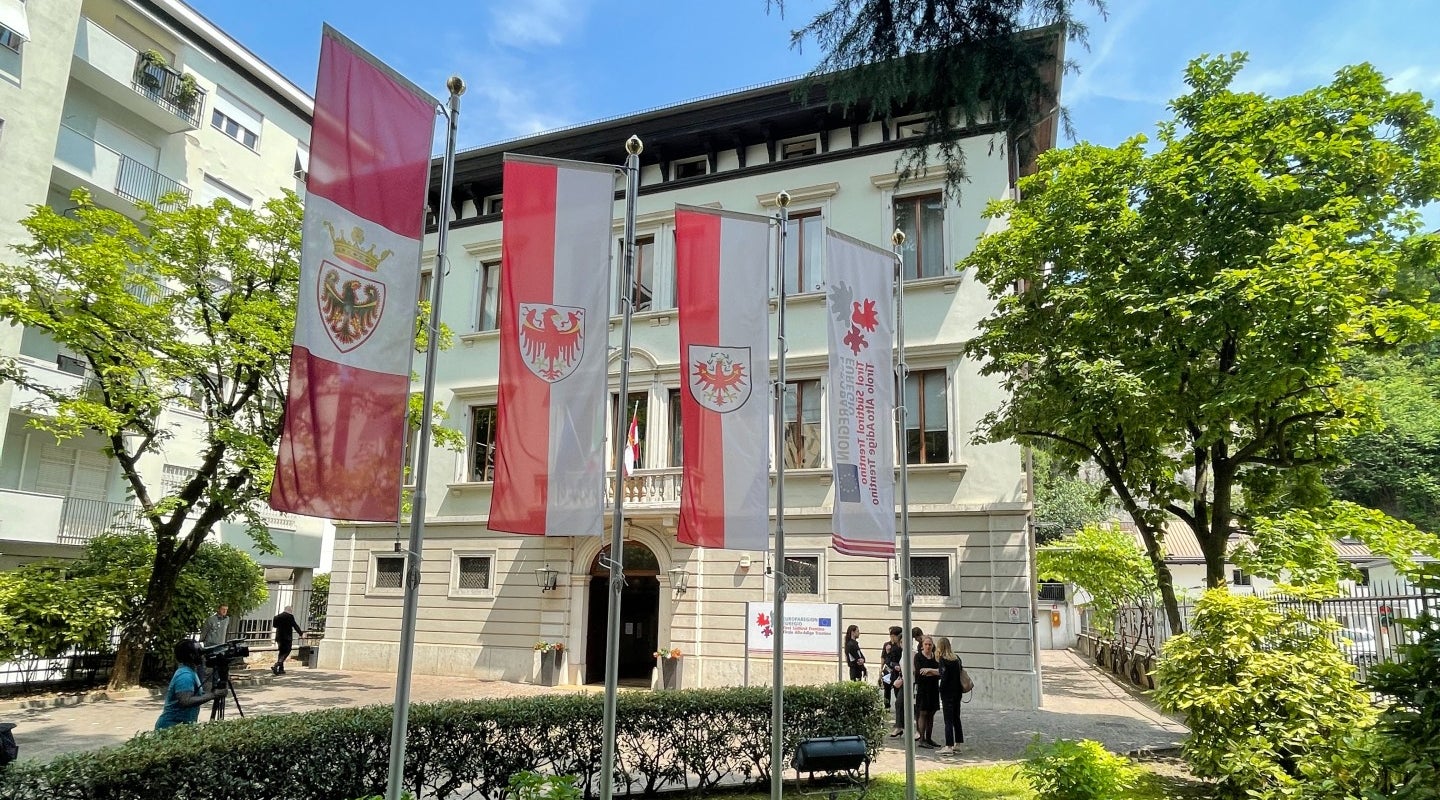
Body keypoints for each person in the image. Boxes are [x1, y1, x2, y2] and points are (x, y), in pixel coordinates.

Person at [155, 639, 226, 730]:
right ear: (192, 656)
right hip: (171, 727)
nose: (203, 655)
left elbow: (197, 695)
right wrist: (213, 695)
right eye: (200, 652)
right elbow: (186, 700)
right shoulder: (185, 676)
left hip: (181, 726)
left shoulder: (191, 672)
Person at [935, 636, 966, 755]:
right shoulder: (957, 658)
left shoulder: (943, 660)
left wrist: (940, 689)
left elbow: (944, 678)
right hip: (957, 692)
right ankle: (958, 744)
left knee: (948, 720)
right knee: (956, 718)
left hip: (947, 693)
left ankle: (948, 746)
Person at [913, 635, 942, 748]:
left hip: (934, 688)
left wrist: (930, 671)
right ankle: (921, 739)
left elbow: (940, 673)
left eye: (930, 644)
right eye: (926, 644)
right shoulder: (918, 657)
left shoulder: (935, 658)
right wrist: (933, 672)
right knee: (923, 713)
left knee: (932, 713)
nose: (928, 646)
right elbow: (920, 672)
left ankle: (929, 738)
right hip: (923, 688)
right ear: (922, 645)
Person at [882, 626, 906, 737]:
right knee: (899, 702)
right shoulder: (894, 648)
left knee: (899, 702)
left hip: (901, 679)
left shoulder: (901, 650)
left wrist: (893, 664)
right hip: (897, 678)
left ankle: (900, 725)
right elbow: (888, 661)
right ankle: (900, 725)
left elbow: (888, 661)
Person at [271, 606, 305, 675]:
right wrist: (301, 634)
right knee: (287, 650)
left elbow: (274, 626)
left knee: (281, 652)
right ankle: (277, 664)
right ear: (289, 610)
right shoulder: (290, 617)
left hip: (279, 637)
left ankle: (281, 669)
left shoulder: (277, 617)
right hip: (287, 637)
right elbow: (295, 626)